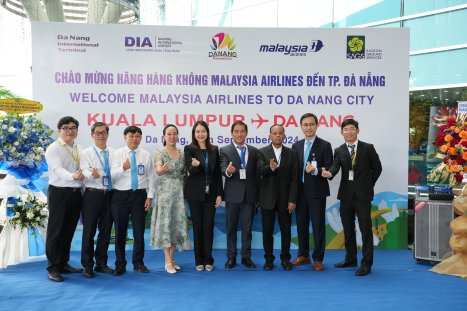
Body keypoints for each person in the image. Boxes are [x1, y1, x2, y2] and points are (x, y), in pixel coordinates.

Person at [322, 118, 382, 276]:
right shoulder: (339, 150)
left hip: (363, 195)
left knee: (365, 230)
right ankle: (350, 258)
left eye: (351, 129)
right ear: (341, 133)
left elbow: (377, 168)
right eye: (345, 130)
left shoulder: (368, 148)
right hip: (346, 195)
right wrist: (329, 173)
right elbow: (335, 167)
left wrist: (368, 184)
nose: (348, 132)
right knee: (348, 229)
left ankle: (366, 263)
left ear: (357, 130)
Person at [111, 126, 155, 276]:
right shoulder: (117, 154)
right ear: (125, 137)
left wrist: (150, 196)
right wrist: (122, 168)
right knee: (120, 232)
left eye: (137, 136)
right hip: (120, 197)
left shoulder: (145, 155)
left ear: (140, 138)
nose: (134, 139)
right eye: (131, 136)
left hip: (140, 197)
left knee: (139, 232)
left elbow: (151, 177)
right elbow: (110, 176)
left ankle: (138, 263)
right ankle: (120, 264)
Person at [45, 116, 84, 282]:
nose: (70, 130)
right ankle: (53, 267)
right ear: (59, 130)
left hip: (75, 193)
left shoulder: (79, 148)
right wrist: (73, 176)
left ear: (77, 130)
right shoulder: (53, 148)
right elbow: (58, 169)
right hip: (59, 192)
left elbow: (85, 168)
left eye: (73, 127)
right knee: (56, 231)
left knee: (68, 231)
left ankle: (63, 263)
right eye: (66, 128)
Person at [291, 113, 333, 271]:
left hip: (317, 192)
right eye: (305, 125)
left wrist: (316, 170)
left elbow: (329, 168)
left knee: (318, 226)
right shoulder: (296, 146)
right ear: (301, 126)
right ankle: (303, 256)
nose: (308, 127)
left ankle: (318, 258)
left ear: (317, 126)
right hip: (300, 193)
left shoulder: (325, 145)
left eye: (311, 124)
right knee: (301, 225)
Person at [150, 124, 191, 274]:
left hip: (179, 193)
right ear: (164, 136)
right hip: (165, 194)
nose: (172, 136)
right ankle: (167, 261)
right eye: (169, 134)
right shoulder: (159, 152)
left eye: (175, 134)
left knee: (176, 226)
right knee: (166, 225)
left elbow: (187, 172)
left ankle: (172, 259)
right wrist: (160, 170)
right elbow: (158, 169)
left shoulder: (182, 153)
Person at [257, 124, 298, 271]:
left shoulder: (292, 154)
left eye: (280, 133)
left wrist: (292, 199)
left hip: (285, 199)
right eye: (274, 133)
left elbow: (294, 178)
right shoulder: (261, 152)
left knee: (286, 230)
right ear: (270, 136)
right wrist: (271, 168)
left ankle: (285, 259)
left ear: (284, 135)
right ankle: (269, 259)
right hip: (267, 199)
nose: (278, 135)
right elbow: (260, 170)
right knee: (267, 231)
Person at [184, 121, 223, 272]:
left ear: (207, 133)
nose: (201, 134)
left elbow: (217, 174)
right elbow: (191, 172)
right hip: (195, 195)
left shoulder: (214, 150)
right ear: (194, 134)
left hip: (211, 194)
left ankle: (208, 259)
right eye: (198, 131)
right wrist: (195, 166)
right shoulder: (189, 149)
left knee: (208, 227)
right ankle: (198, 260)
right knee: (198, 228)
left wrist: (220, 193)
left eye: (203, 131)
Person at [220, 121, 258, 269]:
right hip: (232, 195)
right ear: (232, 133)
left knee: (247, 229)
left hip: (249, 196)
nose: (239, 134)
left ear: (246, 133)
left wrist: (258, 196)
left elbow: (256, 175)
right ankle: (231, 257)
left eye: (242, 131)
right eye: (236, 131)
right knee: (231, 228)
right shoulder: (225, 150)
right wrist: (229, 171)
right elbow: (223, 168)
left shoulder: (254, 151)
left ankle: (246, 257)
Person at [79, 122, 115, 278]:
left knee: (106, 231)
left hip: (110, 195)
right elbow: (84, 170)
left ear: (108, 134)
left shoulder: (114, 152)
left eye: (103, 132)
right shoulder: (86, 153)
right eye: (97, 133)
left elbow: (117, 171)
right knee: (89, 231)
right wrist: (90, 174)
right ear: (92, 135)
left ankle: (101, 263)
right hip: (92, 195)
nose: (101, 135)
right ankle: (87, 265)